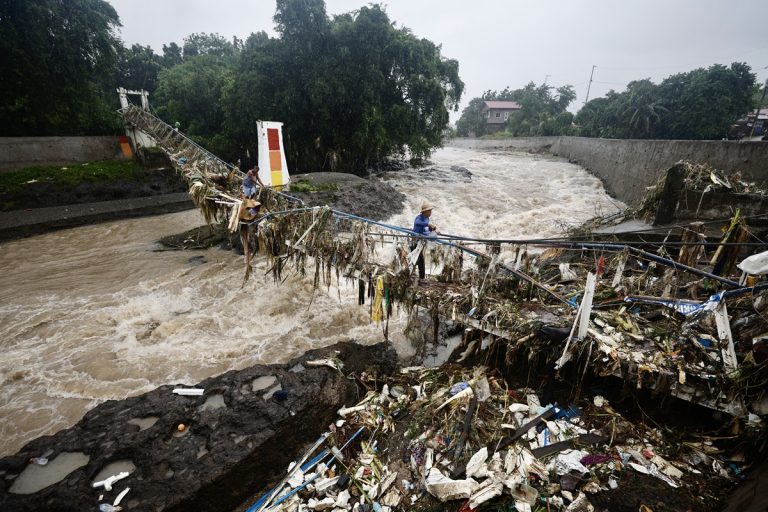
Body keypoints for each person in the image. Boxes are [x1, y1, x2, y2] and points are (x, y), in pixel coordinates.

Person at [411, 200, 437, 279]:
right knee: (416, 261)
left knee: (421, 261)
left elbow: (425, 230)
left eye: (431, 211)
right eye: (429, 211)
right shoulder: (419, 218)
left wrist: (431, 229)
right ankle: (413, 276)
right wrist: (428, 224)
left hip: (420, 242)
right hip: (415, 242)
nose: (430, 213)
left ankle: (421, 278)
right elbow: (417, 223)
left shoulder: (427, 219)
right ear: (424, 212)